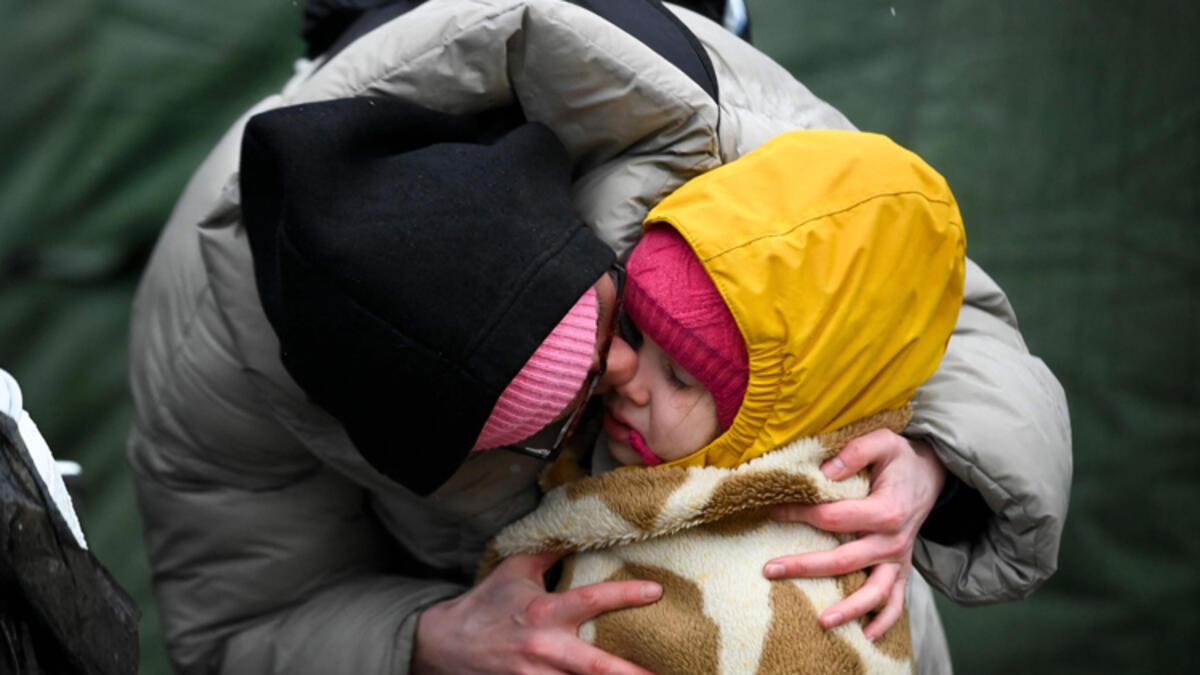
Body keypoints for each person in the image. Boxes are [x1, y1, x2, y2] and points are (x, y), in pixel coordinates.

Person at [127, 2, 1071, 674]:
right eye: (560, 411)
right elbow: (236, 624)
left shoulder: (687, 113)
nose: (622, 378)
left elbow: (933, 288)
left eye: (617, 327)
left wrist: (934, 460)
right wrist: (425, 639)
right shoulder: (210, 358)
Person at [487, 129, 965, 674]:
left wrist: (934, 461)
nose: (626, 375)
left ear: (781, 416)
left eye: (679, 378)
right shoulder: (637, 446)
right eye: (634, 331)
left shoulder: (801, 595)